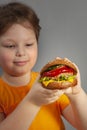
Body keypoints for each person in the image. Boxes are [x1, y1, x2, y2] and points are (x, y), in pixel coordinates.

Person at [0, 2, 87, 130]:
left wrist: (77, 94)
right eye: (10, 46)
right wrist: (32, 102)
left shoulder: (50, 83)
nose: (21, 52)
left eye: (28, 44)